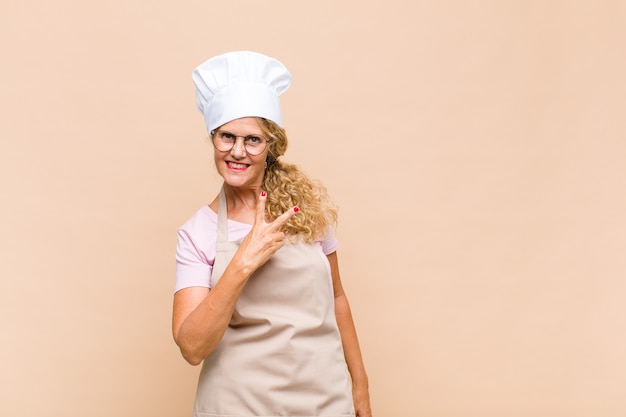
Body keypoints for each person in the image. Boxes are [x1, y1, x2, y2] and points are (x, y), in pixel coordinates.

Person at [172, 51, 372, 417]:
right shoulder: (196, 232)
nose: (237, 151)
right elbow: (192, 347)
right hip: (237, 405)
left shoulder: (306, 212)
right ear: (213, 138)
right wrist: (241, 264)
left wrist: (360, 388)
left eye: (252, 140)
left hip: (323, 401)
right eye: (226, 137)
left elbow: (338, 298)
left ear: (271, 147)